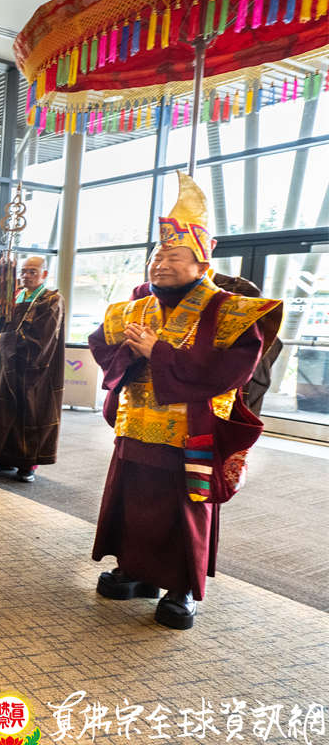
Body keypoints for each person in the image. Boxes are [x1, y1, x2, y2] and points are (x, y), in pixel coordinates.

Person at [90, 172, 281, 630]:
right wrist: (131, 352)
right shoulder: (136, 304)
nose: (160, 264)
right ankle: (134, 569)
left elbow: (231, 371)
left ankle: (181, 588)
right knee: (133, 499)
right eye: (157, 255)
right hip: (137, 425)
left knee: (184, 508)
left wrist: (157, 352)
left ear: (200, 263)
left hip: (190, 431)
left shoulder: (227, 308)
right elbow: (101, 345)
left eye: (173, 256)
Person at [130, 261, 284, 416]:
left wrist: (158, 351)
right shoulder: (146, 293)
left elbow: (237, 370)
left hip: (215, 402)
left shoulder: (234, 293)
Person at [0, 255, 65, 483]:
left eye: (32, 272)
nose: (26, 276)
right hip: (7, 363)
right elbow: (2, 323)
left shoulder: (51, 300)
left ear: (44, 274)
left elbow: (41, 338)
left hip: (34, 368)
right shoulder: (15, 296)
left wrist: (4, 340)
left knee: (29, 414)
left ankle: (27, 465)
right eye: (24, 271)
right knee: (3, 410)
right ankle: (1, 458)